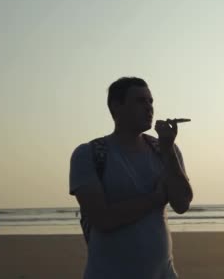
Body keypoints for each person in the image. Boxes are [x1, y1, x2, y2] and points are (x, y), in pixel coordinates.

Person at [69, 77, 193, 279]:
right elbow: (102, 219)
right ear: (116, 107)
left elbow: (182, 203)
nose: (149, 108)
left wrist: (169, 150)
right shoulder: (89, 154)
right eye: (140, 101)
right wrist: (155, 198)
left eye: (150, 101)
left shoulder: (164, 150)